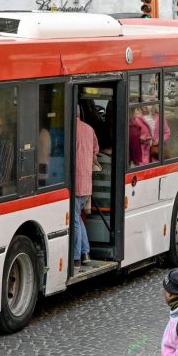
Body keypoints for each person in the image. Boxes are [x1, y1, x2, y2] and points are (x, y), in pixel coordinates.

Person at [74, 105, 99, 269]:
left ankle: (77, 256)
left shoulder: (69, 130)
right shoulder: (89, 129)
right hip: (86, 182)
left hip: (74, 182)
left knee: (75, 219)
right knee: (77, 217)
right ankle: (85, 253)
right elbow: (96, 150)